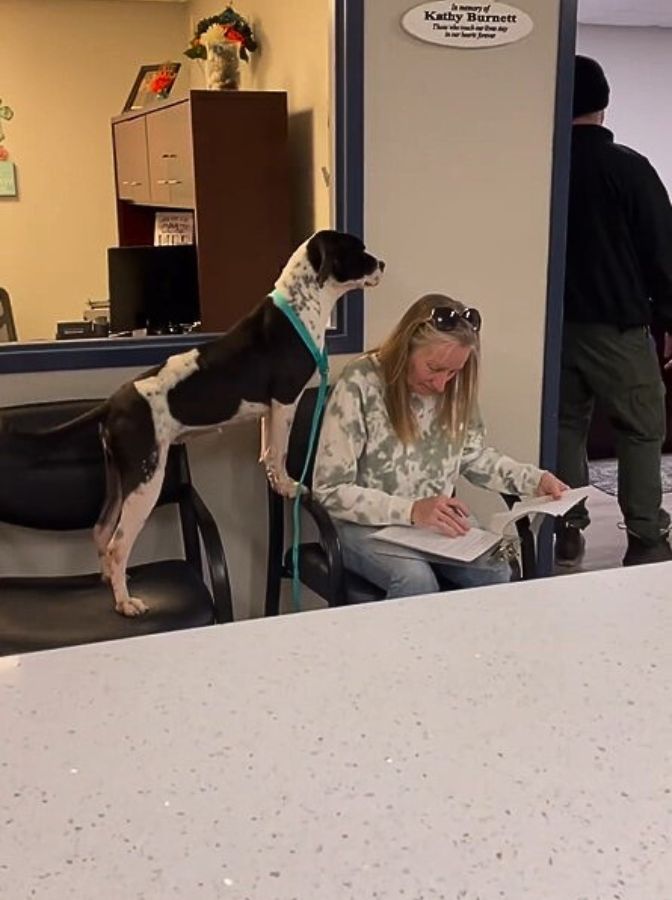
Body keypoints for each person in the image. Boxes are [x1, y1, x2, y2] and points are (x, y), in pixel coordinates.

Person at [312, 294, 567, 599]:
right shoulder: (361, 382)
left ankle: (473, 647)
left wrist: (533, 480)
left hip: (433, 526)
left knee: (496, 569)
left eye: (453, 372)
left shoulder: (455, 387)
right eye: (433, 369)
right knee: (416, 580)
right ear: (406, 348)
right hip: (365, 525)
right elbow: (329, 489)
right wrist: (412, 510)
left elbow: (472, 456)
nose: (441, 385)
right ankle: (410, 649)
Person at [555, 55, 672, 568]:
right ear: (603, 105)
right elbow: (663, 253)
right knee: (642, 428)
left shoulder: (543, 164)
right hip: (618, 328)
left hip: (552, 330)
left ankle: (564, 530)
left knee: (562, 428)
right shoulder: (629, 168)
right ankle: (646, 538)